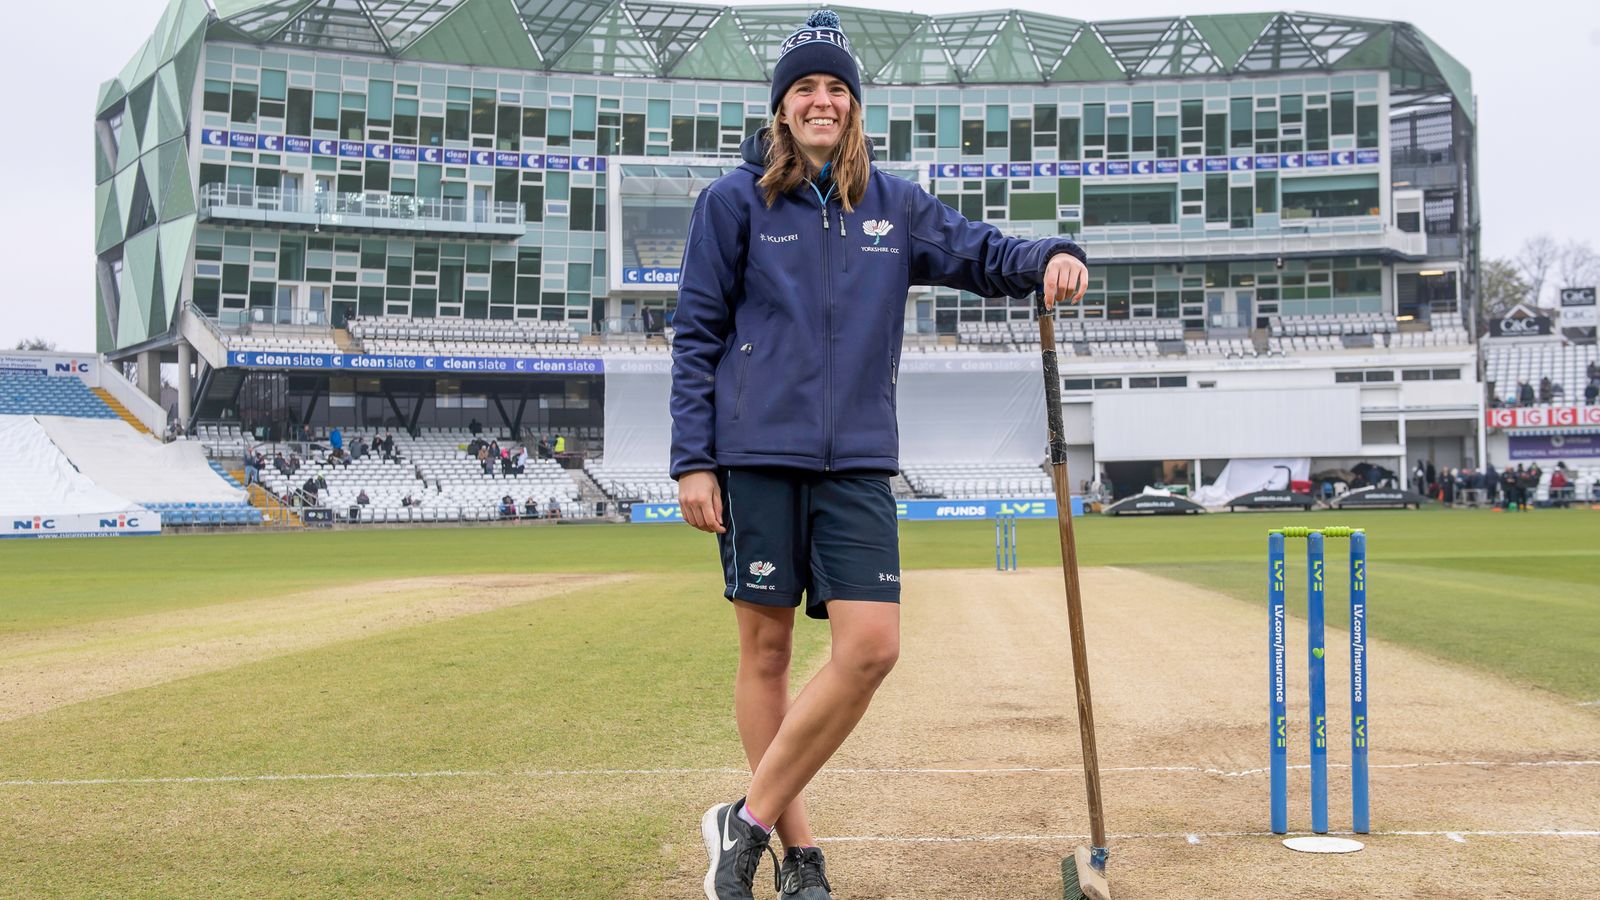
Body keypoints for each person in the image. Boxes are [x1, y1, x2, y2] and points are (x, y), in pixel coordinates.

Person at [668, 11, 1088, 897]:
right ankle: (800, 858)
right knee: (769, 653)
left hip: (857, 457)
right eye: (805, 89)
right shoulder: (732, 202)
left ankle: (740, 823)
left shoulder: (893, 206)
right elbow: (696, 337)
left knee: (871, 648)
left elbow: (983, 253)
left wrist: (1050, 252)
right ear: (781, 109)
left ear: (855, 108)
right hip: (756, 456)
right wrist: (692, 460)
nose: (822, 101)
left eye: (836, 89)